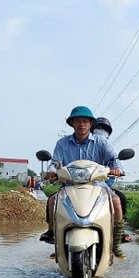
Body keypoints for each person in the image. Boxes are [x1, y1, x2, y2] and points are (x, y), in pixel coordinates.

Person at [40, 106, 125, 258]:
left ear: (91, 124)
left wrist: (117, 169)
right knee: (52, 200)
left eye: (85, 121)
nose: (82, 125)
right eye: (78, 121)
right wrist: (51, 170)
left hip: (98, 185)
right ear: (72, 123)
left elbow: (114, 159)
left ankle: (117, 241)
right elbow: (55, 161)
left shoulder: (101, 142)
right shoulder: (62, 143)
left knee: (117, 201)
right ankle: (53, 233)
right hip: (70, 185)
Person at [92, 116, 131, 244]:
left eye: (104, 129)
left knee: (121, 198)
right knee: (56, 199)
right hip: (76, 186)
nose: (101, 131)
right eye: (98, 128)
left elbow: (116, 161)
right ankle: (54, 230)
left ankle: (119, 230)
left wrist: (117, 170)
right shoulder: (82, 147)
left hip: (103, 187)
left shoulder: (107, 148)